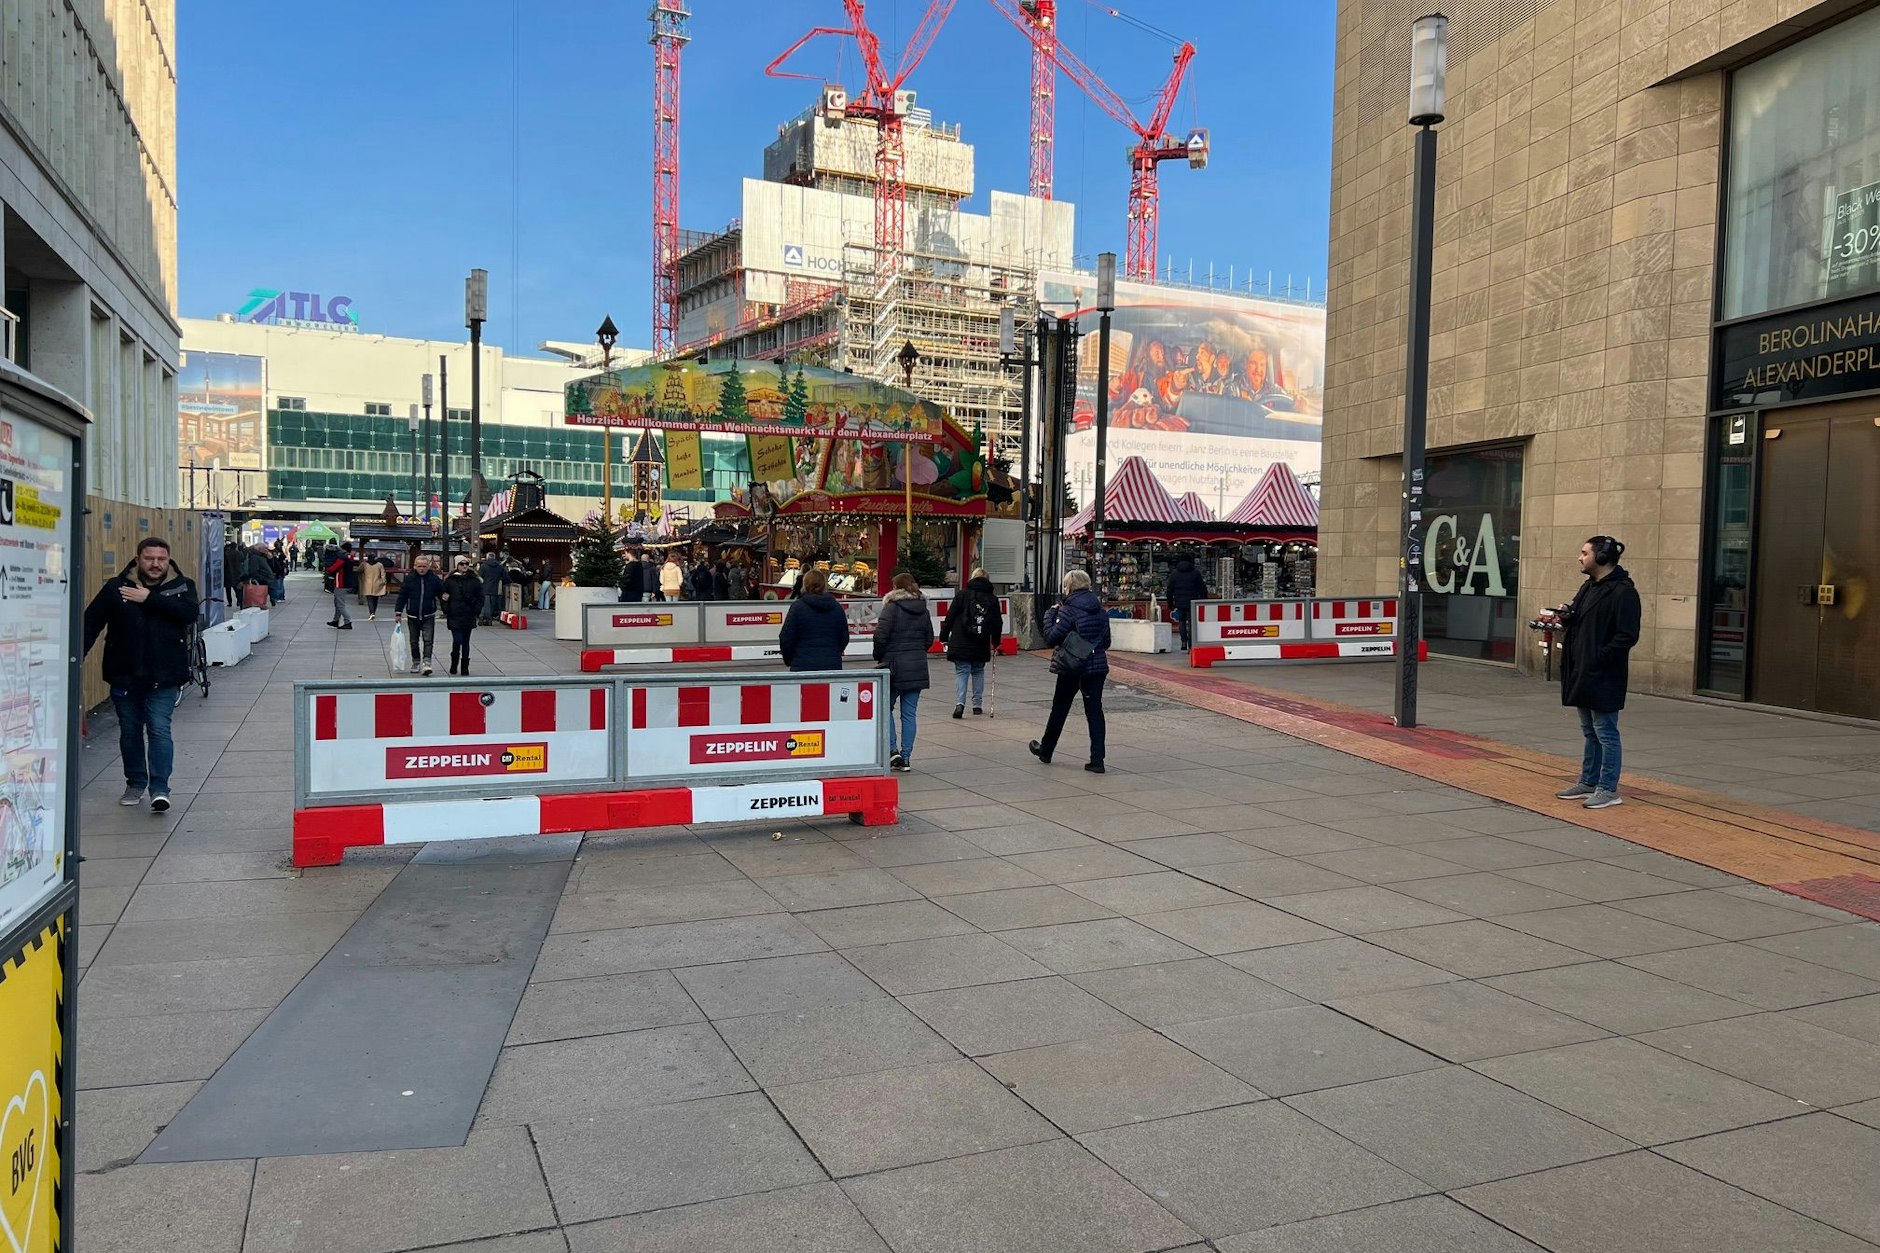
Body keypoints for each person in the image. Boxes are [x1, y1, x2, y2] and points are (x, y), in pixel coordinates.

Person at [83, 537, 198, 812]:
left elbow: (189, 613)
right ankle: (135, 782)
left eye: (161, 559)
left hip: (165, 674)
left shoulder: (182, 586)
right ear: (138, 559)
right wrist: (74, 658)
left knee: (159, 728)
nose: (155, 564)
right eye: (149, 558)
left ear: (168, 560)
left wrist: (149, 599)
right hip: (125, 673)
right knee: (130, 730)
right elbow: (91, 623)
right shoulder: (117, 587)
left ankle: (160, 789)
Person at [1556, 535, 1641, 810]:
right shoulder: (1589, 587)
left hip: (1603, 673)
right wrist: (1567, 616)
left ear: (1601, 557)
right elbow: (1580, 619)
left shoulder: (1623, 592)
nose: (1580, 558)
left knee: (1606, 731)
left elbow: (1627, 636)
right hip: (1582, 669)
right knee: (1590, 731)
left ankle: (1608, 788)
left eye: (1585, 553)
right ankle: (1589, 781)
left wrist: (1599, 657)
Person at [1030, 569, 1112, 774]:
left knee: (1060, 708)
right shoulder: (1100, 611)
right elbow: (1107, 642)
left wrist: (1050, 614)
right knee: (1095, 711)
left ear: (1069, 587)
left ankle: (1046, 750)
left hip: (1072, 666)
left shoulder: (1067, 610)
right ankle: (1097, 760)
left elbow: (1051, 637)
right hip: (1097, 667)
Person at [872, 572, 934, 772]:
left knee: (885, 708)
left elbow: (880, 636)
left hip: (894, 668)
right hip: (917, 667)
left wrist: (879, 656)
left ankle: (893, 751)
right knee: (909, 714)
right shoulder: (923, 610)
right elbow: (929, 639)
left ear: (895, 588)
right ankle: (906, 758)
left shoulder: (891, 608)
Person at [939, 567, 1002, 718]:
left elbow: (950, 617)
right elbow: (997, 622)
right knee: (978, 671)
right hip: (981, 641)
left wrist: (944, 636)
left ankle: (960, 704)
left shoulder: (962, 595)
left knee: (962, 672)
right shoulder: (992, 599)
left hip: (961, 640)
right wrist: (996, 641)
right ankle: (977, 704)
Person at [779, 568, 850, 672]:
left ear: (805, 585)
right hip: (832, 666)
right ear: (824, 585)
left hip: (802, 666)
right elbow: (844, 637)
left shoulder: (797, 607)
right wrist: (834, 653)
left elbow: (786, 638)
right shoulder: (837, 608)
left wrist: (790, 660)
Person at [395, 554, 445, 675]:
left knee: (428, 640)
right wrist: (398, 612)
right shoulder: (410, 578)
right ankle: (416, 661)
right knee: (414, 640)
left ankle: (427, 662)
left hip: (428, 614)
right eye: (419, 566)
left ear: (428, 567)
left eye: (424, 566)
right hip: (413, 614)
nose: (422, 569)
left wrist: (445, 600)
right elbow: (402, 595)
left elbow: (441, 591)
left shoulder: (433, 578)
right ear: (415, 566)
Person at [442, 554, 483, 675]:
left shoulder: (474, 580)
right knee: (457, 640)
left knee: (466, 641)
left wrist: (476, 610)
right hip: (454, 614)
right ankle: (454, 662)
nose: (464, 566)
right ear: (457, 566)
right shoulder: (450, 581)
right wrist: (446, 608)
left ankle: (465, 666)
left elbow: (480, 597)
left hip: (468, 614)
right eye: (461, 564)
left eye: (466, 564)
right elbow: (443, 596)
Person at [1166, 556, 1208, 651]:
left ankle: (1184, 641)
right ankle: (1191, 644)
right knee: (1192, 623)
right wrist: (1203, 599)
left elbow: (1170, 589)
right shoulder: (1195, 573)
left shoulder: (1174, 573)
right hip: (1192, 602)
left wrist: (1170, 602)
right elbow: (1202, 588)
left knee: (1182, 621)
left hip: (1179, 601)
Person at [325, 542, 357, 628]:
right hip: (347, 582)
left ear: (344, 549)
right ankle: (335, 620)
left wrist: (328, 568)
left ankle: (347, 621)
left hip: (340, 583)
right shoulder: (350, 557)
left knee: (340, 605)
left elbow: (333, 568)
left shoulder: (342, 558)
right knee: (337, 603)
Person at [479, 551, 505, 625]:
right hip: (494, 588)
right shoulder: (500, 566)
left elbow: (479, 576)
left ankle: (482, 618)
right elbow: (506, 577)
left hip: (485, 588)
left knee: (485, 604)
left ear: (487, 557)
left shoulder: (483, 566)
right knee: (492, 605)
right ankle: (488, 619)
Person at [361, 551, 389, 619]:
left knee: (369, 599)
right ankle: (373, 612)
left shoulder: (364, 564)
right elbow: (383, 575)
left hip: (367, 583)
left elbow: (359, 570)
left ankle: (371, 612)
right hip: (377, 584)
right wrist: (384, 582)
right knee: (375, 599)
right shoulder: (379, 565)